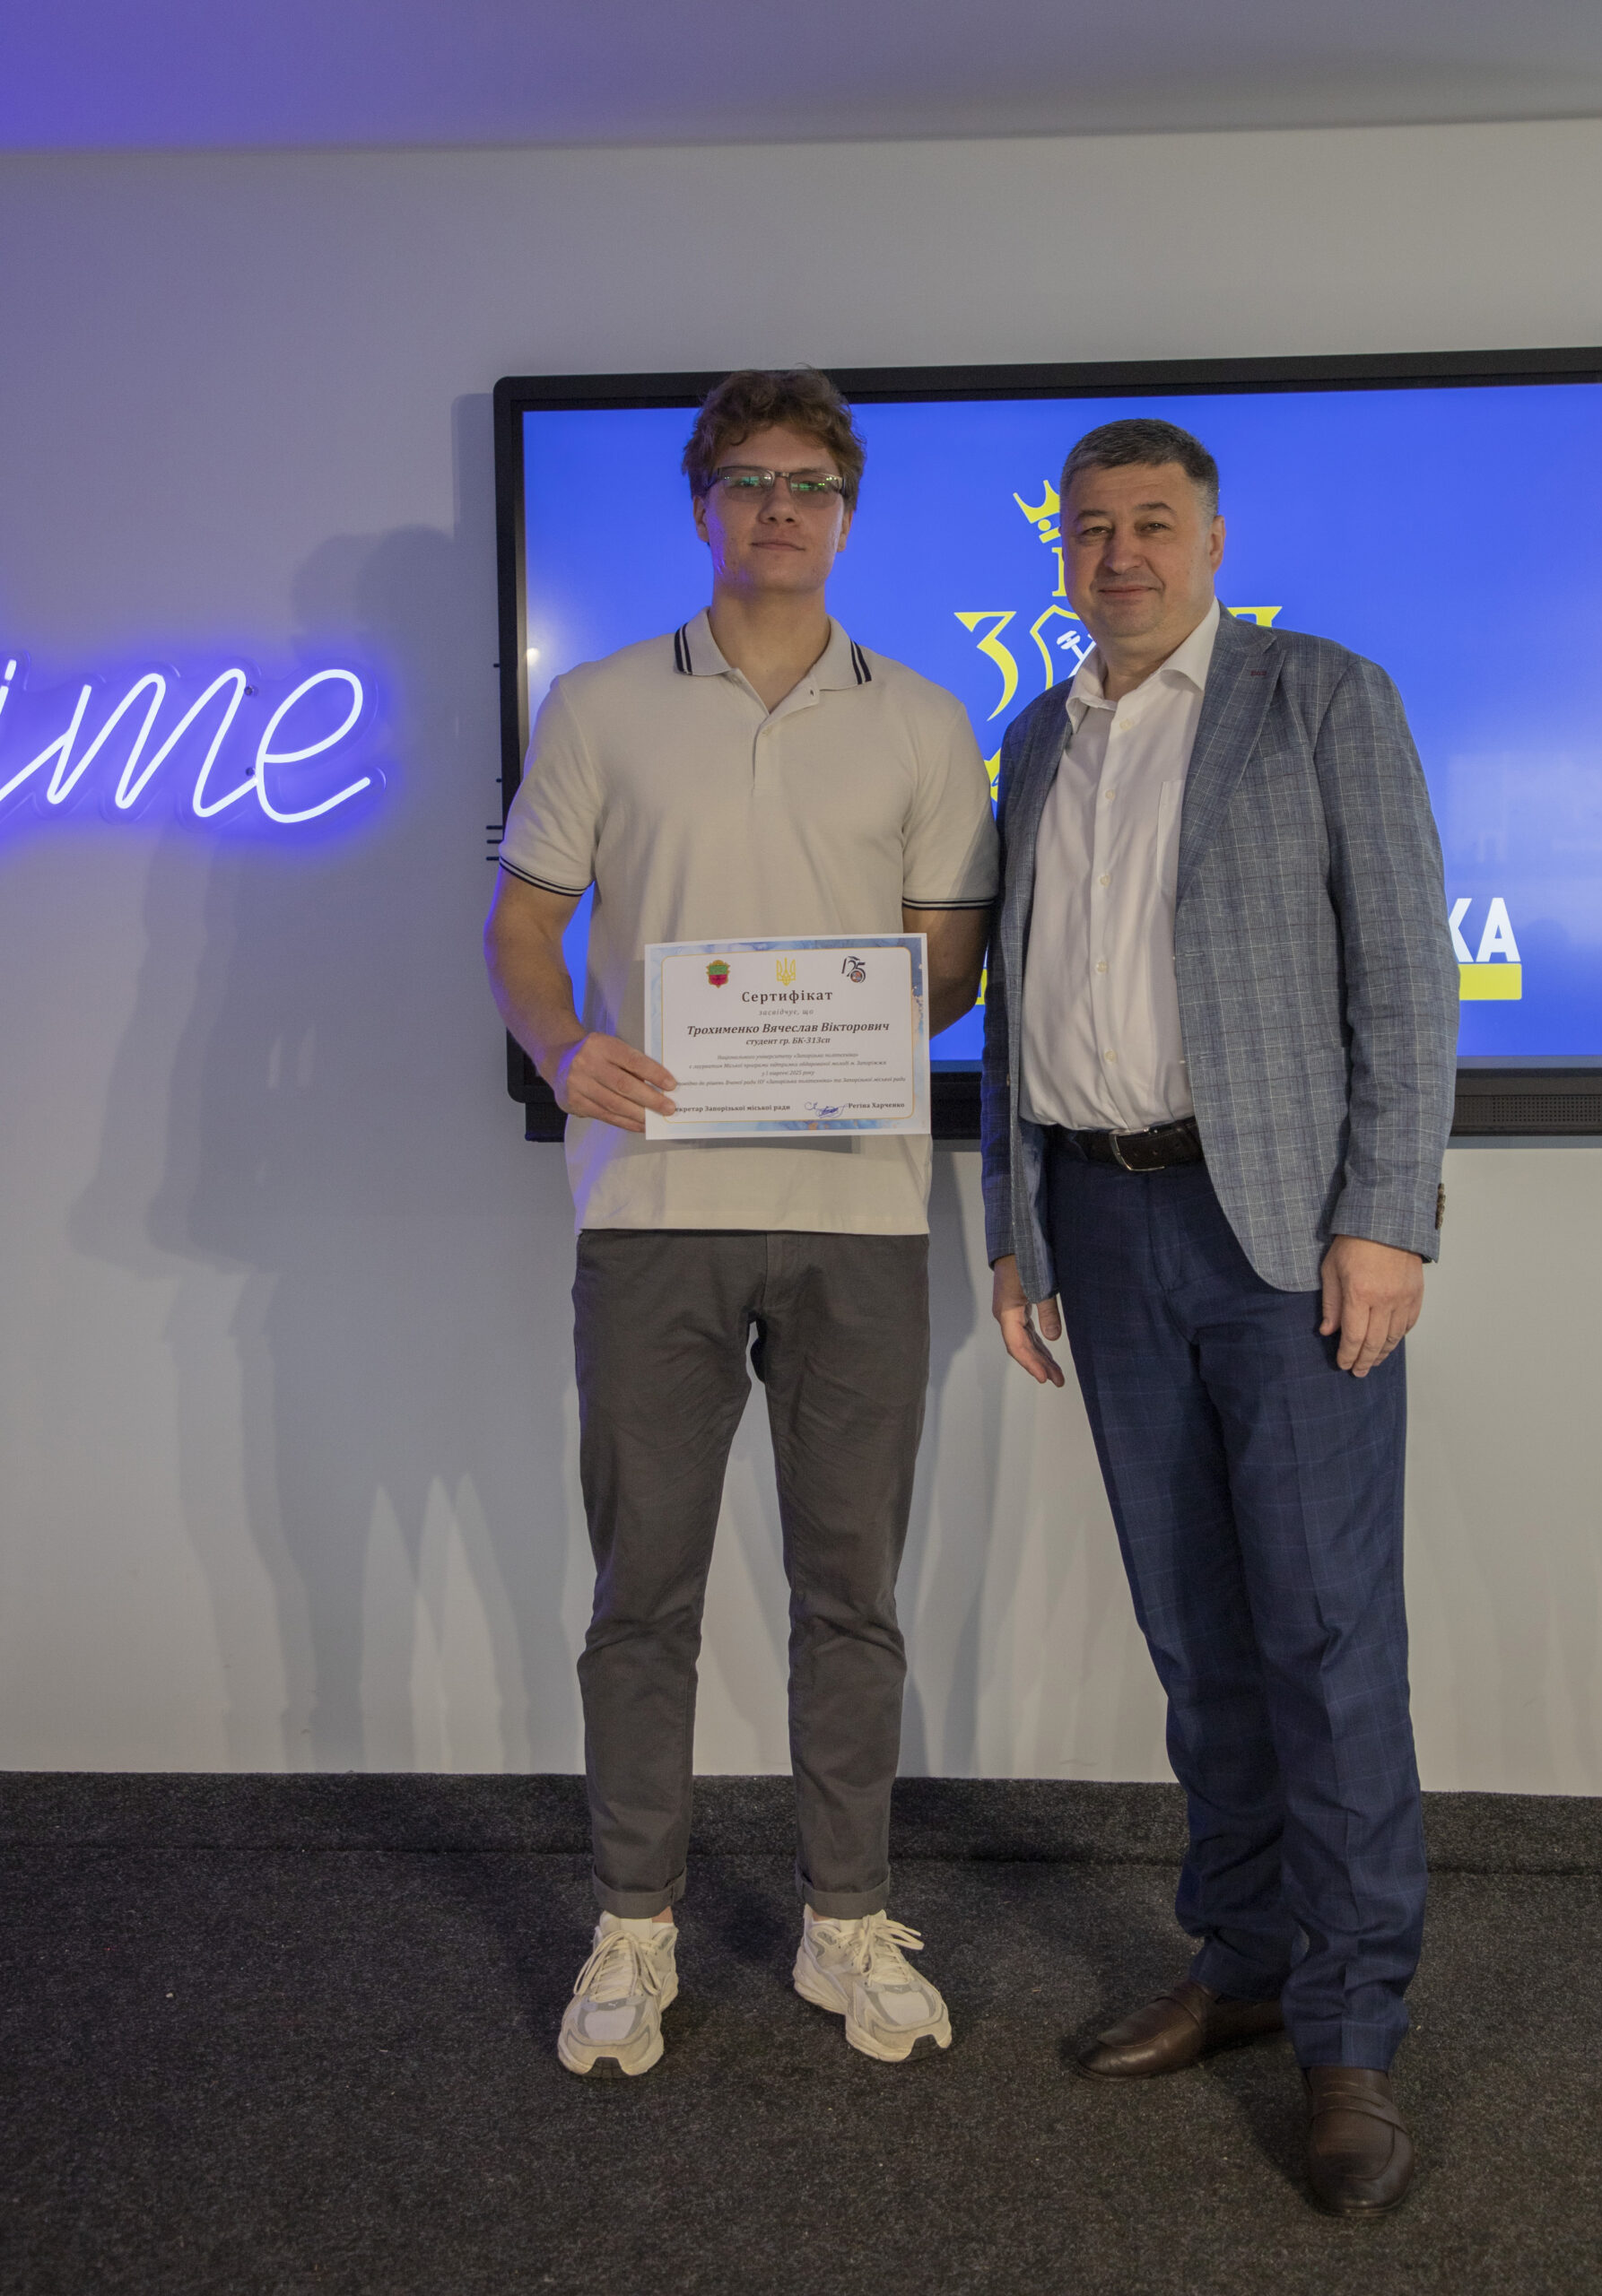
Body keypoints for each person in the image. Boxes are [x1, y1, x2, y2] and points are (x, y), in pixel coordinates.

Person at [485, 367, 996, 2078]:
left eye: (812, 485)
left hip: (860, 1211)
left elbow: (947, 961)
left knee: (851, 1590)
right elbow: (523, 928)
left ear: (848, 514)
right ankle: (634, 1924)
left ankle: (844, 1922)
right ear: (703, 506)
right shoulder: (601, 705)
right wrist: (563, 1046)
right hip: (654, 1205)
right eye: (752, 481)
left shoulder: (924, 721)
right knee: (645, 1589)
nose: (783, 509)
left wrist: (838, 1027)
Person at [982, 417, 1458, 2214]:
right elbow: (1017, 1005)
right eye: (1090, 527)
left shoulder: (1318, 695)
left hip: (1282, 1237)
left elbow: (1405, 976)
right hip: (1102, 1225)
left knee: (1325, 1639)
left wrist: (1384, 1216)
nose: (1120, 553)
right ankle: (1245, 1957)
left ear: (1212, 539)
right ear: (1062, 550)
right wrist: (1017, 1225)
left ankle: (1350, 2031)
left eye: (1153, 522)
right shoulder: (1039, 737)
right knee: (1195, 1635)